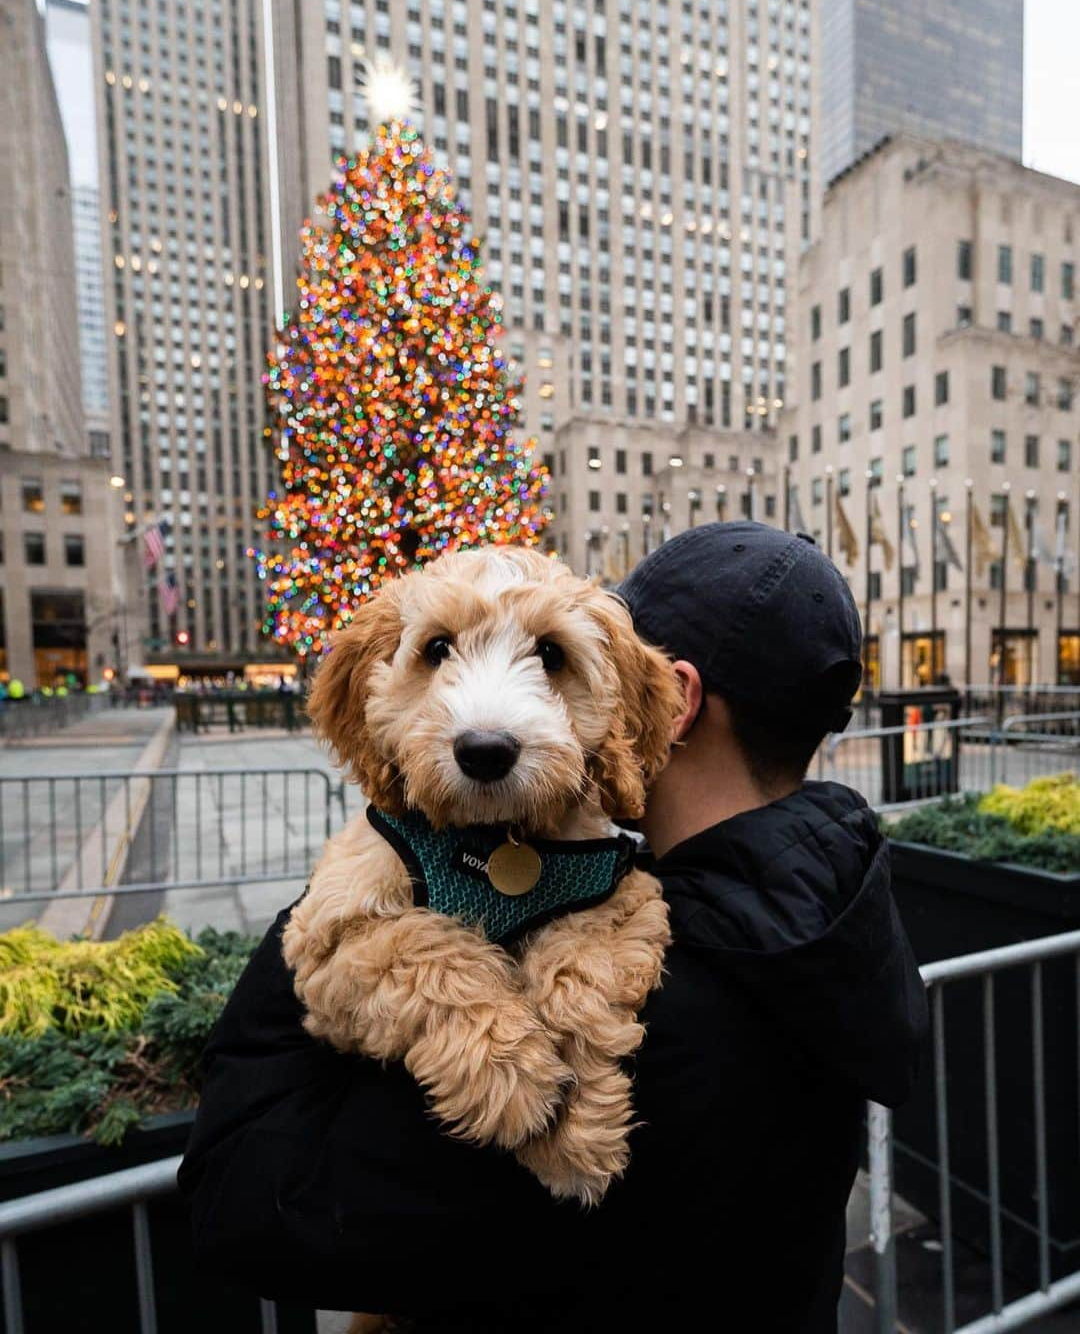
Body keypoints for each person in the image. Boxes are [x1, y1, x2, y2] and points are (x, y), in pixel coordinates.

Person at [179, 522, 927, 1332]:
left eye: (553, 659)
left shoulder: (641, 1017)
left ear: (666, 705)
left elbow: (244, 1200)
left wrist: (338, 909)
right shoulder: (831, 919)